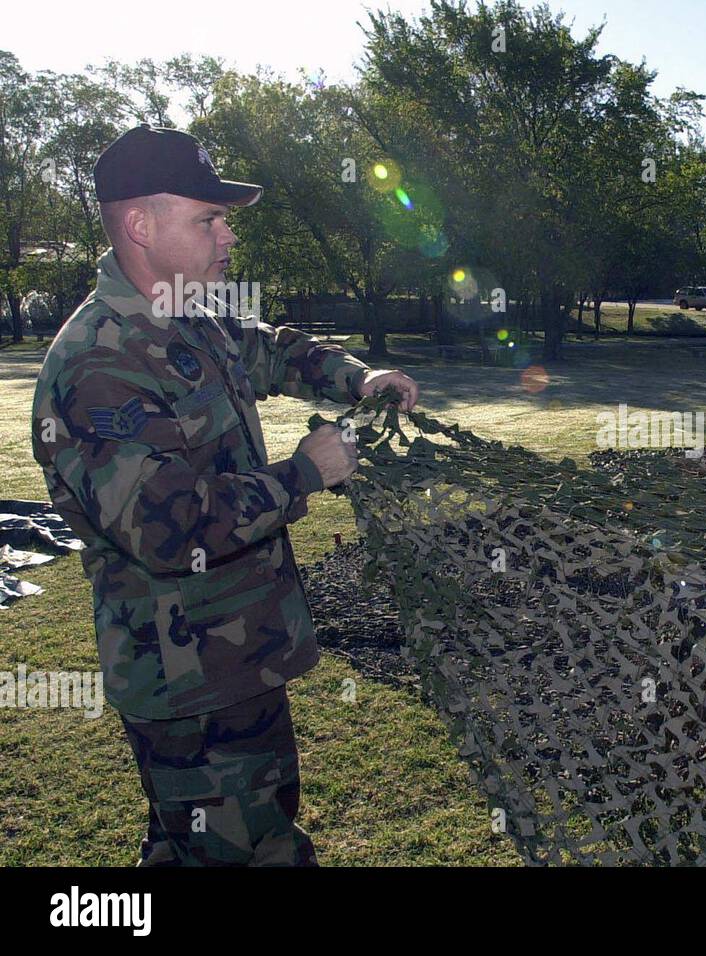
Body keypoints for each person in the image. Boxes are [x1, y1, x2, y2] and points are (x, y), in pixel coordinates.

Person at [30, 124, 420, 866]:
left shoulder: (184, 317)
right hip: (190, 685)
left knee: (194, 851)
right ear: (141, 225)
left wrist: (355, 379)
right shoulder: (98, 365)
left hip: (231, 661)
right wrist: (304, 472)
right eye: (207, 217)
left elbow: (266, 347)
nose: (228, 234)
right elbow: (172, 531)